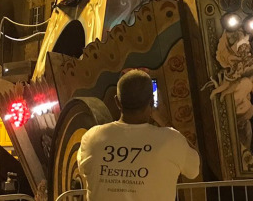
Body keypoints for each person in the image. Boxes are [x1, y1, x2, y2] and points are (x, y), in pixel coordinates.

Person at [78, 69, 199, 201]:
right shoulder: (171, 140)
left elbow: (84, 171)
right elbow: (194, 168)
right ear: (152, 102)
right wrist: (164, 121)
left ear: (117, 102)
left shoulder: (91, 138)